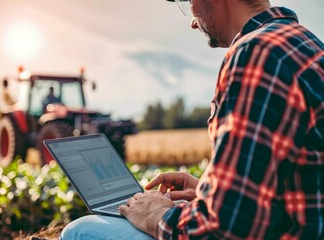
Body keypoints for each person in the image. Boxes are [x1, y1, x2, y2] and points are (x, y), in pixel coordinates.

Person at [61, 0, 324, 239]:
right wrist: (206, 192)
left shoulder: (256, 54)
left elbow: (225, 227)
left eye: (189, 2)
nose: (193, 20)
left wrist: (156, 214)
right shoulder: (305, 44)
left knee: (81, 231)